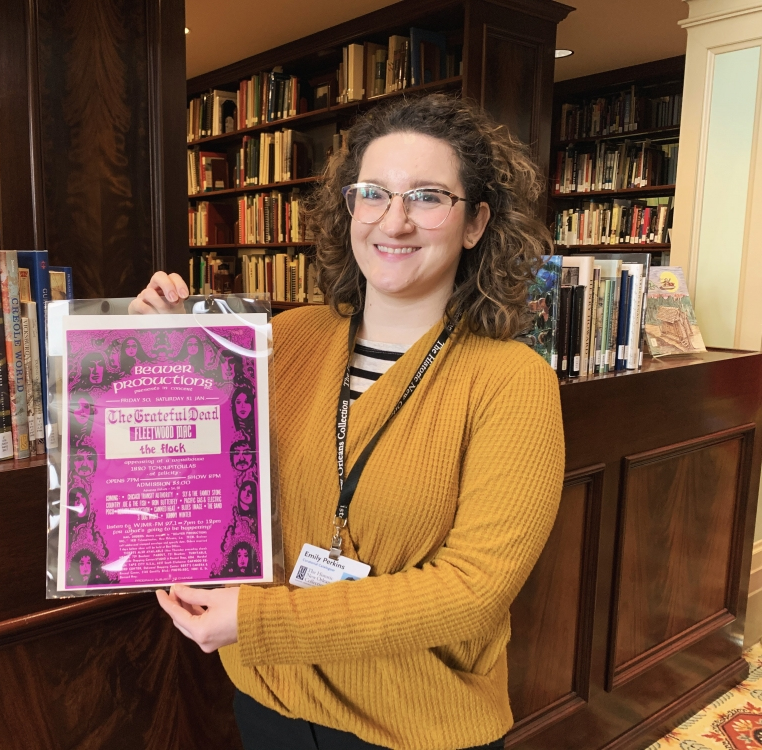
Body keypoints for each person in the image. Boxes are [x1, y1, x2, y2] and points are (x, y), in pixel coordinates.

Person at [130, 94, 564, 750]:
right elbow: (196, 478)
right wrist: (155, 354)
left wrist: (262, 618)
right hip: (269, 698)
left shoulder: (512, 381)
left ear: (475, 222)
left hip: (412, 725)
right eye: (373, 193)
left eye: (426, 196)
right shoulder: (284, 337)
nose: (395, 221)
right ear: (349, 206)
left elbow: (471, 592)